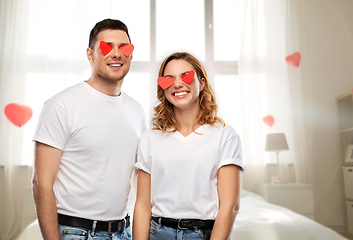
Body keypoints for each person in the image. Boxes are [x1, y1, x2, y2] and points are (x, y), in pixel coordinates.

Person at [31, 19, 145, 240]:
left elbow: (138, 178)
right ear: (90, 55)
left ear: (131, 54)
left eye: (124, 47)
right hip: (77, 232)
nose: (116, 54)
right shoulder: (61, 105)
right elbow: (41, 183)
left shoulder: (137, 110)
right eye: (106, 46)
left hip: (123, 232)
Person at [132, 52, 245, 240]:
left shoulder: (225, 135)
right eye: (168, 79)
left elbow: (230, 206)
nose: (177, 84)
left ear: (201, 83)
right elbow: (143, 204)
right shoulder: (150, 137)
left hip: (203, 234)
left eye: (186, 76)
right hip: (158, 233)